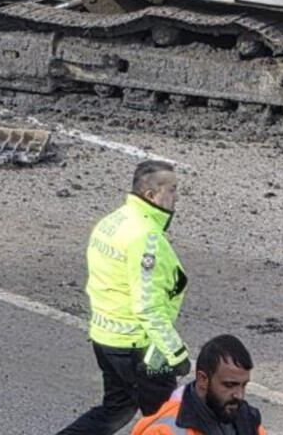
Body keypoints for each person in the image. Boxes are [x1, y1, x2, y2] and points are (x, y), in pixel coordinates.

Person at [56, 160, 190, 435]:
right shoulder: (146, 238)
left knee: (118, 409)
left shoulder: (113, 222)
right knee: (168, 420)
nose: (177, 197)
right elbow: (148, 306)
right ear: (152, 195)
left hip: (106, 338)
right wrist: (176, 353)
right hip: (138, 348)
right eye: (172, 189)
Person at [131, 335, 265, 435]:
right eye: (229, 385)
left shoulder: (247, 419)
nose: (239, 395)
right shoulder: (163, 431)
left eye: (243, 385)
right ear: (203, 380)